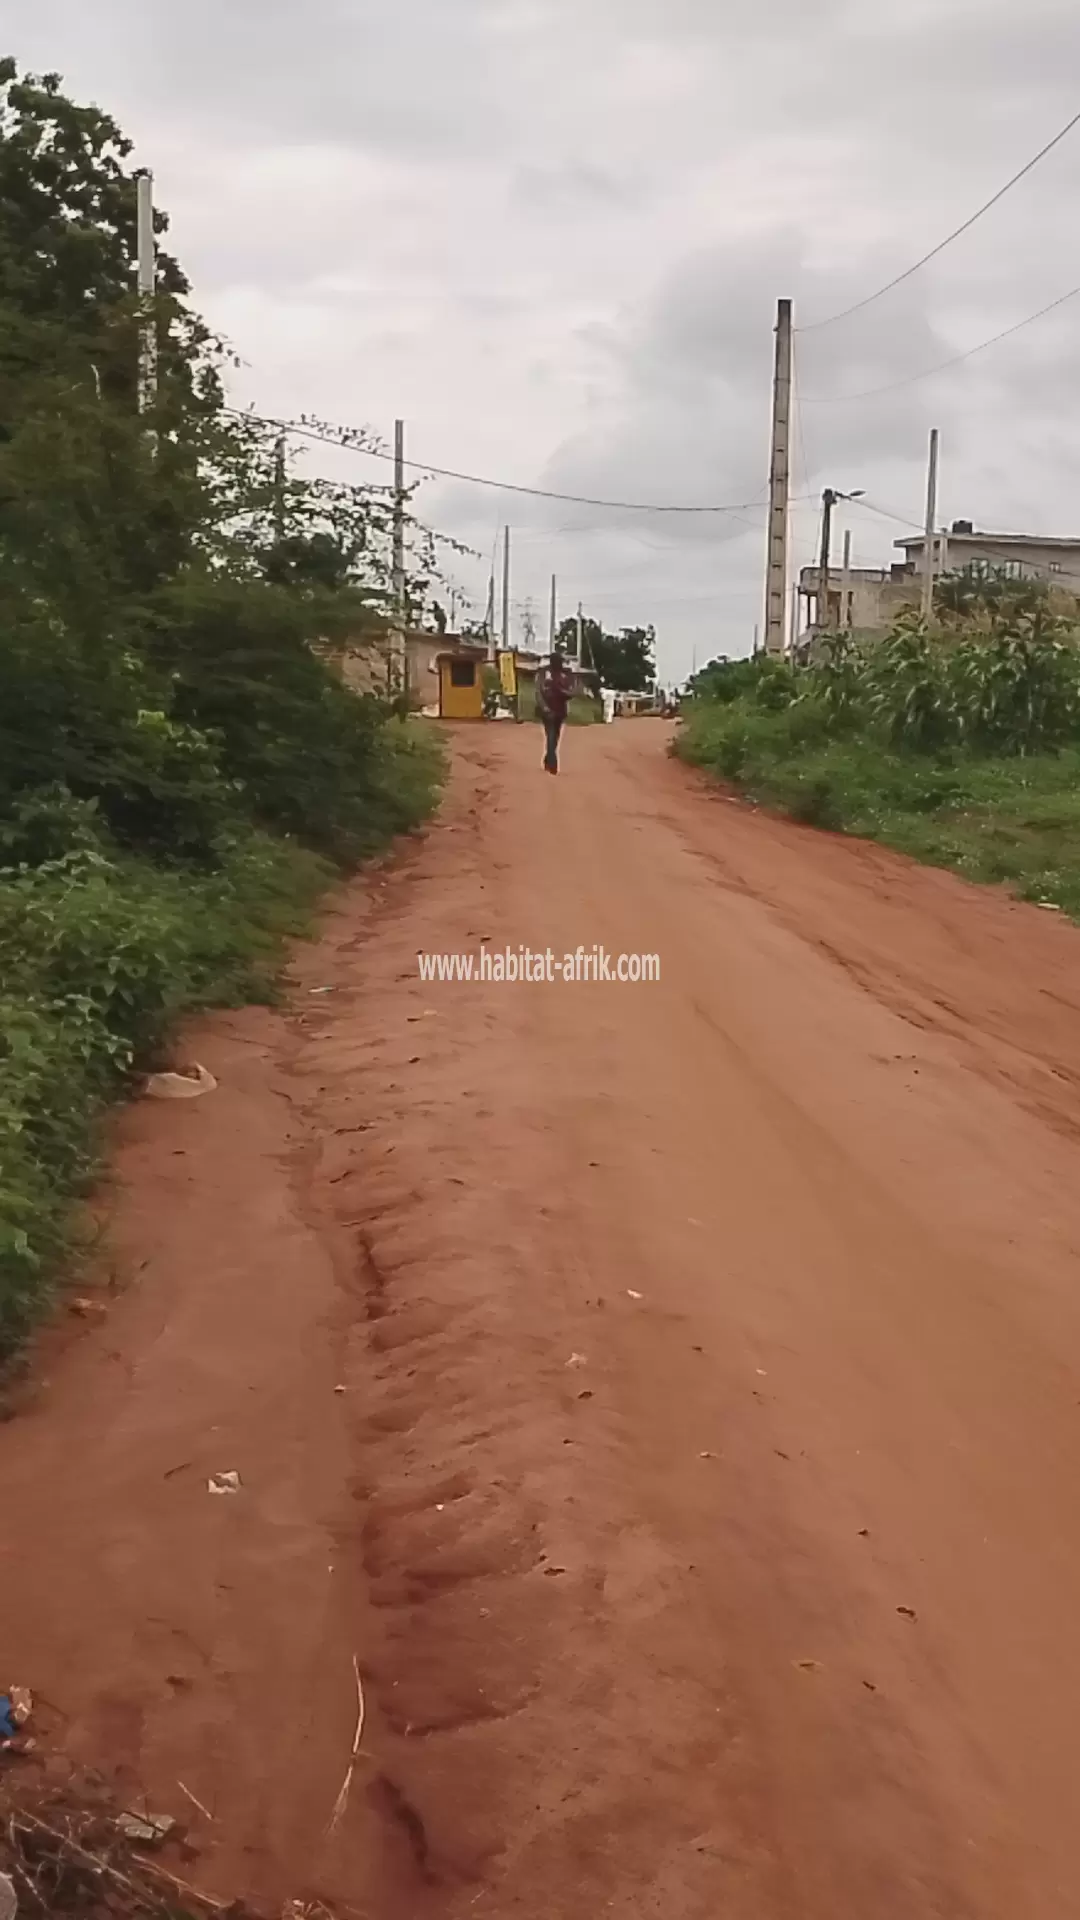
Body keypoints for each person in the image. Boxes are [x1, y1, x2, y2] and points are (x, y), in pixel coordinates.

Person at [535, 653, 573, 774]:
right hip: (548, 711)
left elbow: (571, 691)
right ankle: (553, 764)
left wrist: (565, 693)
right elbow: (538, 691)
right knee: (551, 736)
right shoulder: (544, 673)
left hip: (560, 711)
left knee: (555, 737)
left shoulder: (565, 675)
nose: (560, 664)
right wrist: (544, 707)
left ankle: (548, 759)